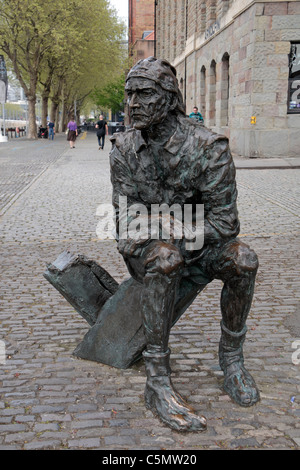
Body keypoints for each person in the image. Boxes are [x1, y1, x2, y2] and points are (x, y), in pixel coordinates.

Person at [108, 57, 260, 432]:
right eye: (128, 96)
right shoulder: (123, 149)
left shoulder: (208, 148)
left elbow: (226, 222)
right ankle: (157, 379)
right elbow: (125, 222)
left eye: (143, 94)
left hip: (203, 245)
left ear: (169, 97)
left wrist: (178, 230)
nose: (132, 105)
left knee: (243, 259)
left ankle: (232, 361)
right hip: (154, 250)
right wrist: (162, 230)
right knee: (164, 257)